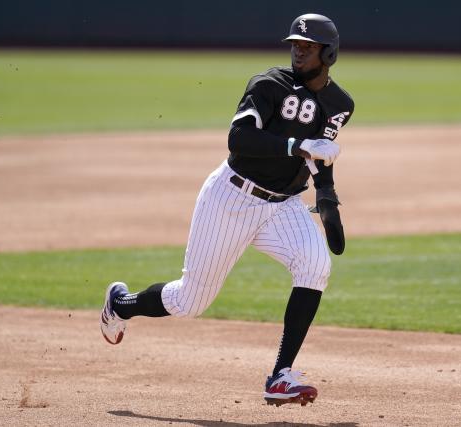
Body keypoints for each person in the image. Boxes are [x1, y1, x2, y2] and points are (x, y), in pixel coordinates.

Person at [100, 13, 354, 407]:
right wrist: (294, 146)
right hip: (231, 198)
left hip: (283, 205)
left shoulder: (340, 104)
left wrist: (327, 197)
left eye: (308, 46)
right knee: (190, 302)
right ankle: (121, 304)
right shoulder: (268, 84)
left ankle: (280, 376)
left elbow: (320, 153)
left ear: (329, 53)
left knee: (315, 266)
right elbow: (238, 138)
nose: (298, 52)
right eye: (295, 45)